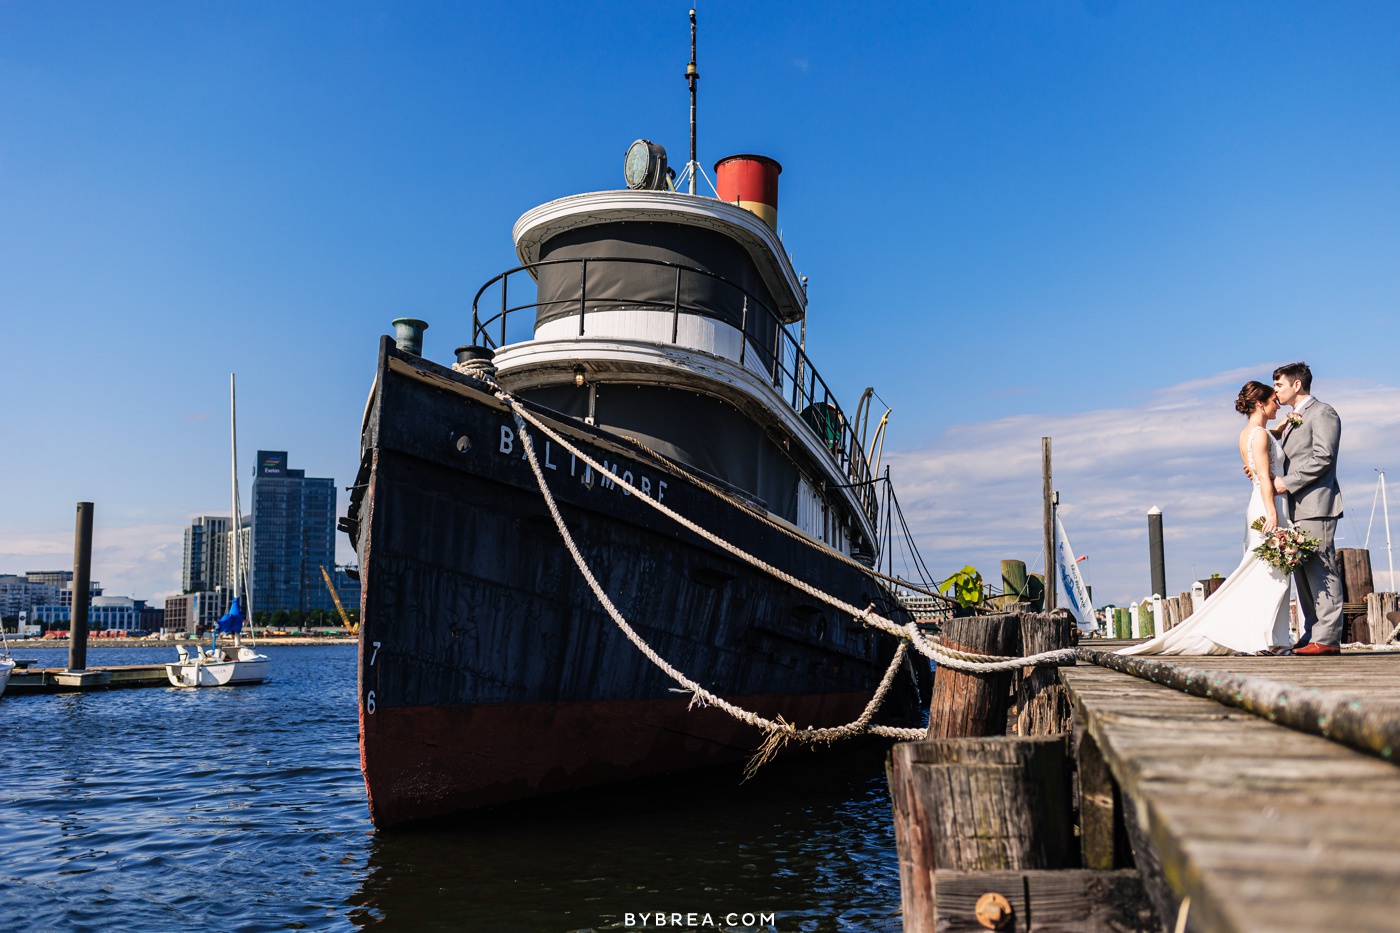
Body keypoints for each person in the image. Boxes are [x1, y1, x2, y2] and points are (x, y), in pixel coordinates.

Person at [1119, 381, 1291, 656]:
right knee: (1272, 572)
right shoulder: (1259, 436)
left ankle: (1272, 637)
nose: (1278, 405)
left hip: (1258, 502)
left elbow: (1265, 449)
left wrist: (1283, 427)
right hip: (1268, 505)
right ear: (1260, 403)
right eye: (1273, 400)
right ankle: (1265, 639)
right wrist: (1272, 513)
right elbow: (1264, 478)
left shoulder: (1248, 434)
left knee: (1268, 570)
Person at [1271, 361, 1344, 655]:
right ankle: (1312, 633)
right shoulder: (1290, 419)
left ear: (1296, 385)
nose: (1275, 391)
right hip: (1294, 509)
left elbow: (1324, 458)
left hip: (1316, 504)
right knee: (1302, 574)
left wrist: (1286, 483)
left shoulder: (1323, 412)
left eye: (1279, 385)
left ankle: (1327, 639)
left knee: (1322, 571)